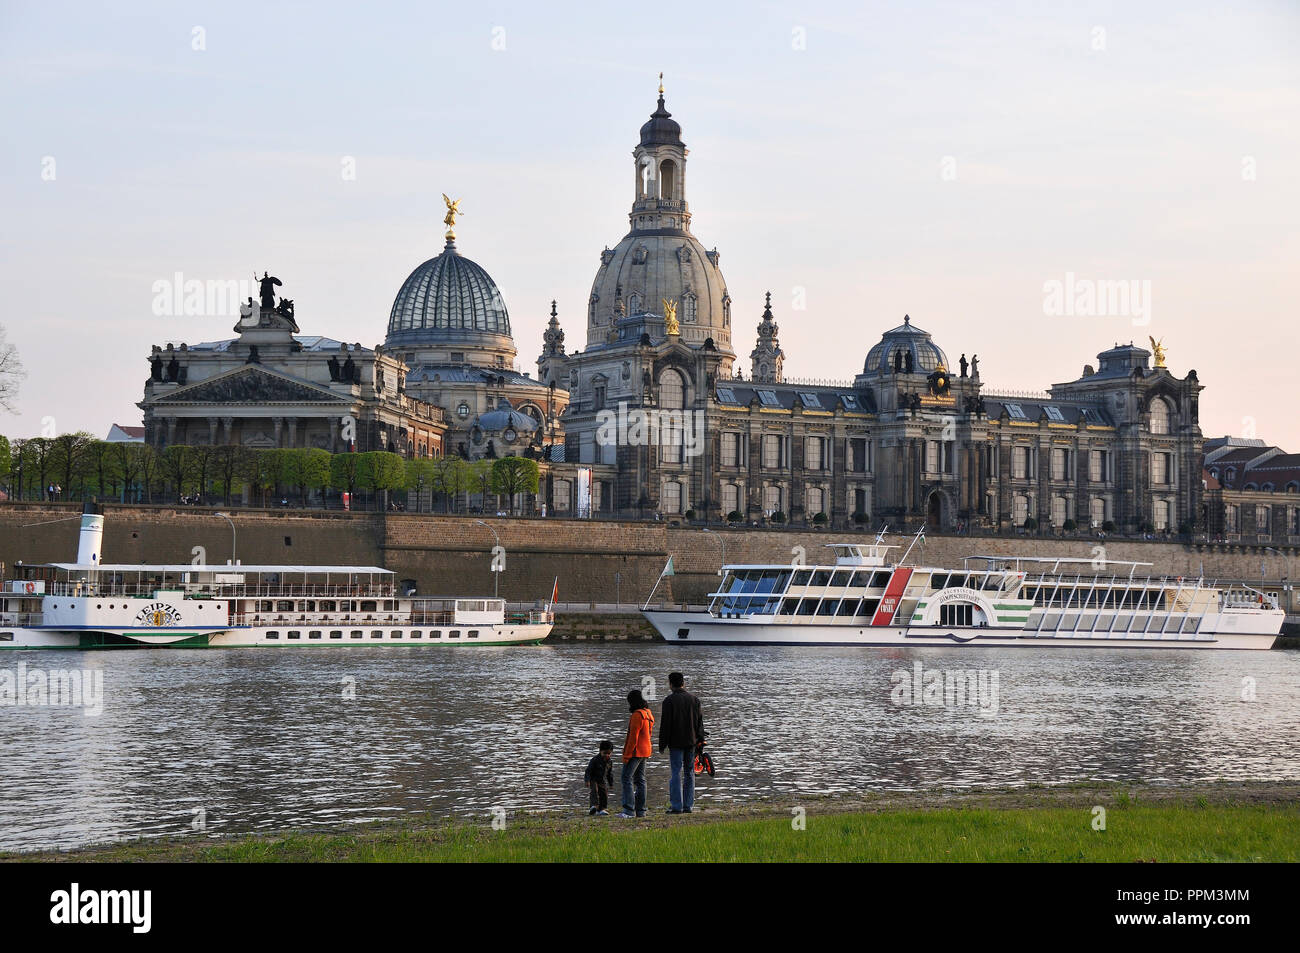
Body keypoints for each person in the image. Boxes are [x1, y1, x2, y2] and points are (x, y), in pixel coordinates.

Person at [658, 671, 704, 814]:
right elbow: (699, 723)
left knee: (676, 773)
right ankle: (688, 806)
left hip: (675, 742)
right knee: (689, 773)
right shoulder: (694, 700)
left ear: (671, 684)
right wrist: (700, 740)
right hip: (691, 742)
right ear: (683, 683)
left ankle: (677, 806)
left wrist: (662, 744)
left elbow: (665, 725)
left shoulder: (668, 701)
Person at [616, 690, 654, 818]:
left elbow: (633, 738)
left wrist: (626, 755)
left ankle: (629, 810)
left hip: (636, 752)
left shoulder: (637, 715)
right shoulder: (648, 713)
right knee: (640, 780)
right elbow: (649, 734)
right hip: (646, 750)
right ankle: (641, 810)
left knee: (626, 778)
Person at [584, 740, 614, 816]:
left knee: (604, 794)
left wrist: (611, 783)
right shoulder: (594, 760)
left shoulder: (609, 762)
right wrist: (587, 780)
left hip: (602, 780)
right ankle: (593, 807)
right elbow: (588, 771)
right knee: (595, 791)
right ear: (600, 751)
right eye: (605, 753)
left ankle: (602, 809)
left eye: (609, 753)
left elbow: (609, 773)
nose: (607, 755)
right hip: (593, 779)